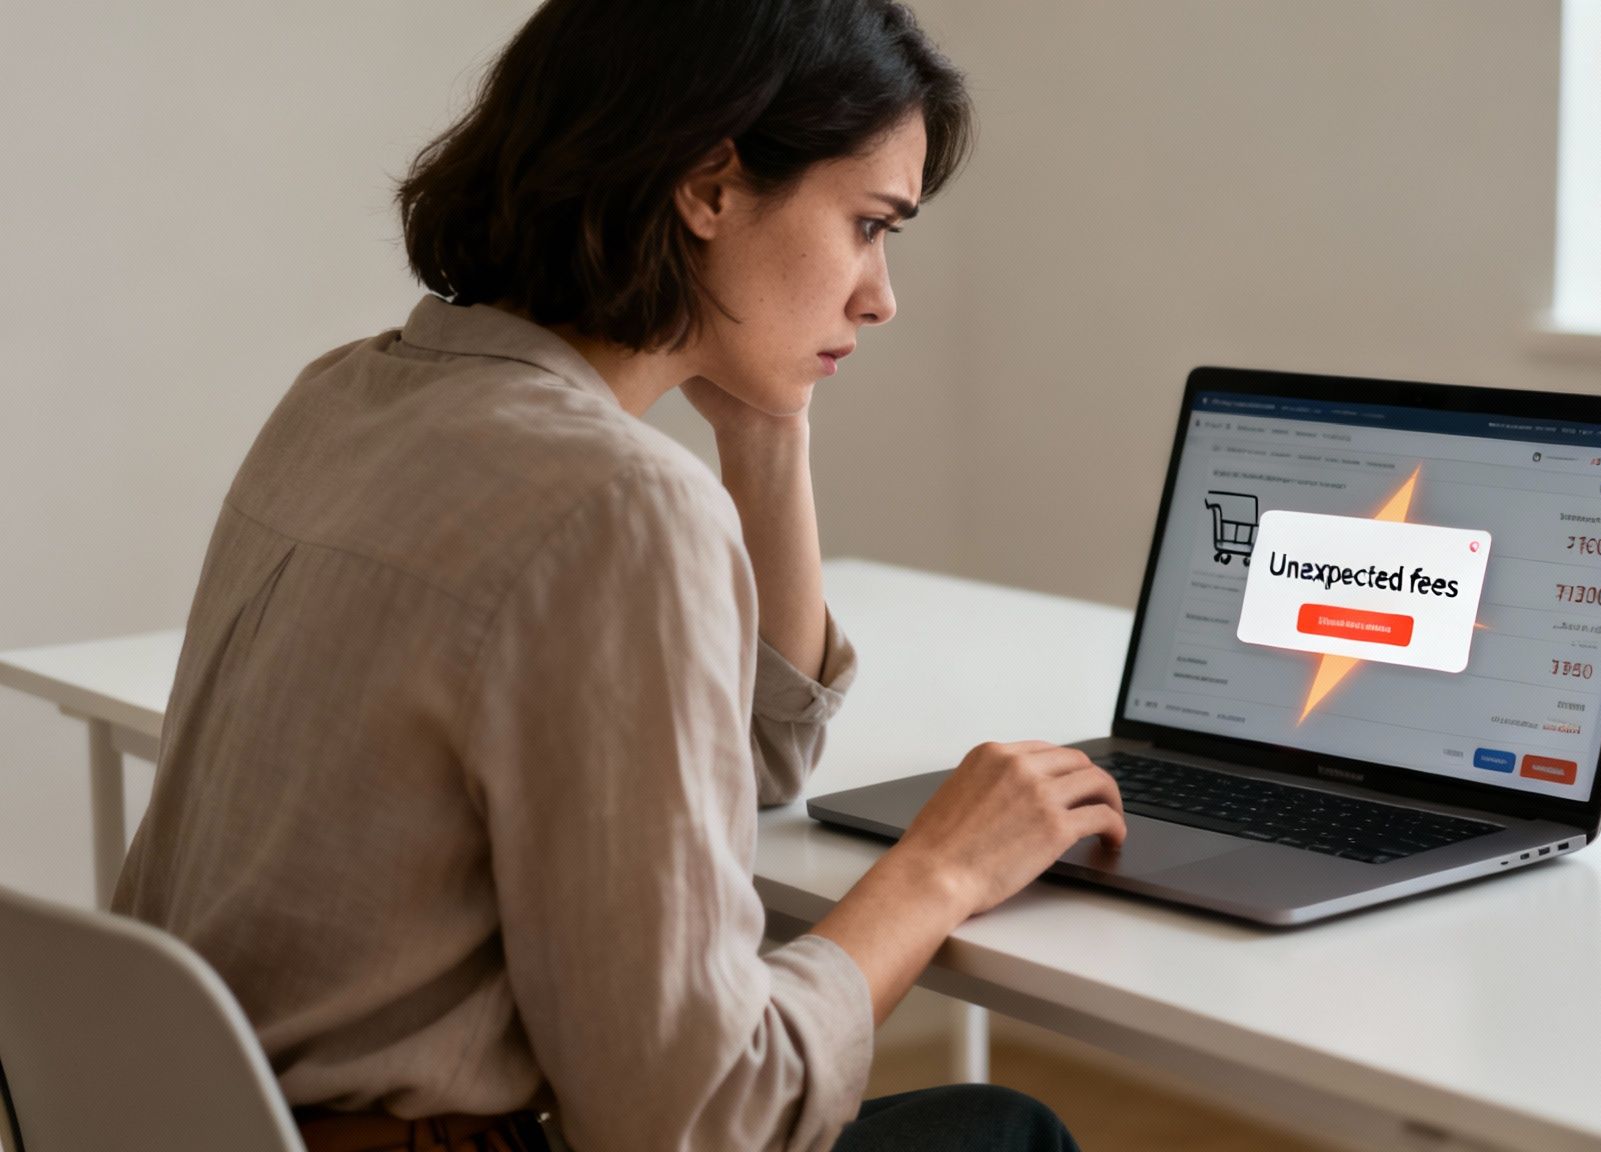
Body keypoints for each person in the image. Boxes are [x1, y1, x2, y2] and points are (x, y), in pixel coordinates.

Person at [110, 2, 1128, 1149]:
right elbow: (691, 1121)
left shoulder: (343, 395)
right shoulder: (617, 502)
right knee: (1001, 1136)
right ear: (708, 189)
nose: (879, 295)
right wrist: (938, 870)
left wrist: (766, 432)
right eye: (865, 224)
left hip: (206, 1122)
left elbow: (749, 758)